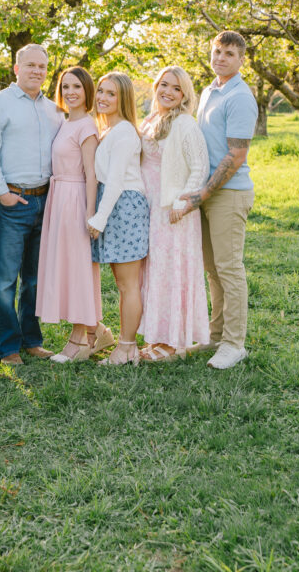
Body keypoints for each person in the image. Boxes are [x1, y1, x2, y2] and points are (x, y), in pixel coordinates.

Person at [0, 44, 64, 365]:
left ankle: (31, 340)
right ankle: (7, 347)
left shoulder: (54, 110)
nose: (37, 71)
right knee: (3, 280)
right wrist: (1, 193)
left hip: (46, 202)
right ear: (16, 68)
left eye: (42, 66)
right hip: (13, 202)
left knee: (35, 279)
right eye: (30, 65)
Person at [177, 31, 258, 370]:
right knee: (213, 270)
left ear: (241, 60)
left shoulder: (239, 96)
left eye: (229, 53)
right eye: (217, 51)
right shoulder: (211, 90)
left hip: (228, 193)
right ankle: (215, 336)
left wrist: (204, 193)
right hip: (206, 192)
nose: (221, 57)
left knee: (229, 269)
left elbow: (236, 155)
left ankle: (234, 344)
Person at [36, 67, 115, 363]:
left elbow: (91, 173)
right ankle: (99, 331)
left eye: (77, 87)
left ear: (87, 92)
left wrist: (91, 213)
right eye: (65, 86)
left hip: (76, 198)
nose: (70, 92)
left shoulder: (87, 126)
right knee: (66, 267)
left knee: (79, 268)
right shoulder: (64, 122)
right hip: (58, 199)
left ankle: (81, 337)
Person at [138, 66, 210, 361]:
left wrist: (183, 204)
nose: (168, 92)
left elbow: (199, 168)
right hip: (150, 206)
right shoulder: (151, 119)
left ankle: (171, 342)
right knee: (153, 271)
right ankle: (155, 335)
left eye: (176, 88)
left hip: (172, 209)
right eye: (164, 85)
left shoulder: (185, 124)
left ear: (184, 95)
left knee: (171, 271)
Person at [87, 72, 149, 366]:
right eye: (101, 91)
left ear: (123, 98)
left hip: (123, 206)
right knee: (122, 283)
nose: (102, 98)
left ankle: (126, 348)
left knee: (127, 284)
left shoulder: (124, 132)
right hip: (114, 205)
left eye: (111, 94)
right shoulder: (108, 130)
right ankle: (126, 346)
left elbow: (114, 182)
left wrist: (99, 218)